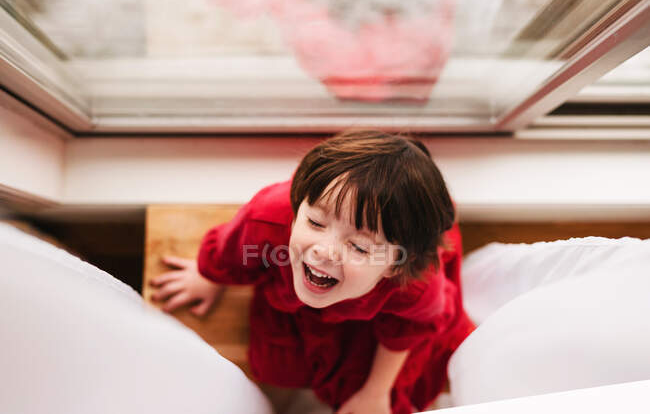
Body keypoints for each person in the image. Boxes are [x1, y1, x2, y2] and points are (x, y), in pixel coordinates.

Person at [150, 130, 475, 414]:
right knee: (277, 368)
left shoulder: (413, 285)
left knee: (386, 395)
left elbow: (412, 325)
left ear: (393, 266)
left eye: (359, 247)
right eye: (315, 223)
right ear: (297, 206)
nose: (324, 250)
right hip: (291, 312)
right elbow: (231, 249)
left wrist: (375, 391)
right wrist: (209, 277)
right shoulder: (269, 219)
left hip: (362, 327)